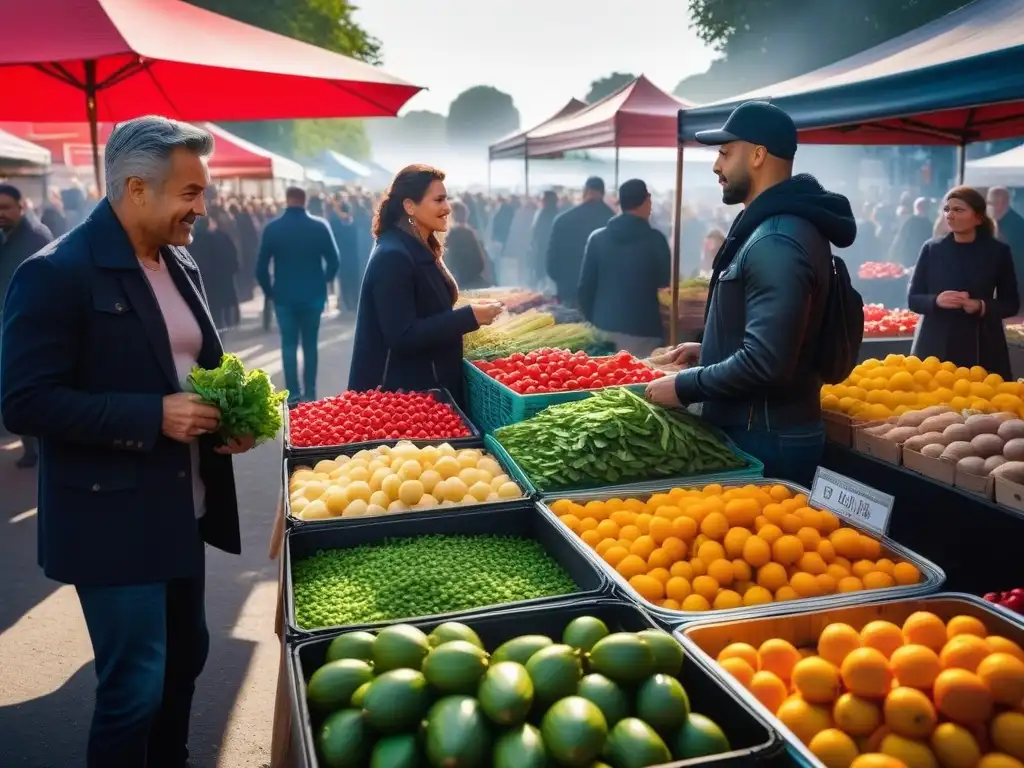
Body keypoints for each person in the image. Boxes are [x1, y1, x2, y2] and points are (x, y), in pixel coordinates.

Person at [0, 116, 254, 768]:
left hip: (180, 509)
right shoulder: (55, 273)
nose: (204, 207)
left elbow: (192, 367)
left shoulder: (181, 259)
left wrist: (227, 418)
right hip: (109, 520)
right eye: (190, 193)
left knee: (185, 660)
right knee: (133, 690)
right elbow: (22, 402)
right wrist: (152, 416)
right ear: (136, 189)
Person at [645, 101, 857, 487]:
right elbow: (773, 335)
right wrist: (711, 348)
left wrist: (684, 386)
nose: (716, 166)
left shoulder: (776, 239)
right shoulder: (774, 228)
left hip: (766, 437)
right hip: (761, 428)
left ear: (758, 155)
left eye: (725, 153)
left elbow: (766, 362)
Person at [347, 165, 502, 404]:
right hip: (403, 398)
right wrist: (468, 317)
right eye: (438, 200)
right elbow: (402, 335)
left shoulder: (416, 245)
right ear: (410, 206)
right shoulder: (393, 255)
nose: (447, 207)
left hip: (425, 389)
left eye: (446, 199)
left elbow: (425, 308)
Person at [908, 186, 1019, 378]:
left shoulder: (998, 252)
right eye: (947, 209)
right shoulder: (932, 249)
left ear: (977, 217)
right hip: (935, 342)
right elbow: (913, 299)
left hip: (982, 343)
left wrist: (980, 305)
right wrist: (936, 300)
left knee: (983, 403)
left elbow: (1011, 304)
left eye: (958, 210)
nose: (950, 215)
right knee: (932, 402)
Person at [255, 186, 340, 406]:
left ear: (287, 199)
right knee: (310, 344)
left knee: (289, 345)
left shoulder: (273, 228)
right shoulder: (320, 226)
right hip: (313, 294)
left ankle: (293, 394)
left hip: (284, 295)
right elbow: (334, 260)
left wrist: (269, 291)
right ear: (305, 200)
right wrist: (325, 281)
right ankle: (310, 392)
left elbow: (261, 268)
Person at [578, 179, 670, 357]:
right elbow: (664, 287)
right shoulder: (656, 241)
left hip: (604, 330)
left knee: (605, 382)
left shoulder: (597, 239)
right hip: (645, 332)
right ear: (647, 200)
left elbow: (584, 288)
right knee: (640, 382)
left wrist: (595, 321)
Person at [0, 182, 53, 468]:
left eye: (6, 208)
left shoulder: (35, 236)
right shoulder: (5, 236)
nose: (1, 214)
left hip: (31, 325)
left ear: (22, 207)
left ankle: (41, 447)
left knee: (30, 386)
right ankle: (30, 447)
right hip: (8, 322)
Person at [546, 176, 614, 307]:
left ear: (584, 192)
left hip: (569, 292)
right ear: (603, 193)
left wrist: (563, 282)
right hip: (601, 296)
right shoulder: (612, 222)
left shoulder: (563, 220)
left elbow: (551, 262)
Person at [444, 200, 492, 289]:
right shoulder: (468, 232)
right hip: (470, 281)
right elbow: (481, 263)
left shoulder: (450, 234)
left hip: (460, 282)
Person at [987, 186, 1024, 299]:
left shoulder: (1016, 225)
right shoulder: (994, 222)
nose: (987, 206)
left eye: (990, 202)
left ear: (1002, 203)